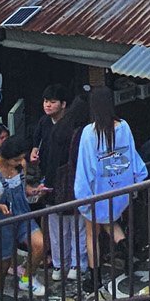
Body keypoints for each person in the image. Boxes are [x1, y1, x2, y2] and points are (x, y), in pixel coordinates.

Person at [74, 86, 148, 273]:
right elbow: (131, 156)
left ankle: (95, 277)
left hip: (97, 191)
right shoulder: (123, 126)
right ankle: (128, 253)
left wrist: (83, 195)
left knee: (92, 234)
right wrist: (137, 180)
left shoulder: (89, 133)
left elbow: (85, 168)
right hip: (120, 188)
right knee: (109, 221)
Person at [0, 133, 49, 298]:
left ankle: (26, 278)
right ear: (6, 156)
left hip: (22, 213)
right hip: (0, 221)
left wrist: (34, 190)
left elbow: (23, 188)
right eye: (16, 159)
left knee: (40, 244)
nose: (20, 162)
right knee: (1, 267)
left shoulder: (20, 166)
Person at [46, 88, 92, 280]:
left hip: (55, 186)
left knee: (57, 230)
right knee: (78, 227)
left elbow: (49, 161)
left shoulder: (58, 128)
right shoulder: (83, 132)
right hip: (75, 186)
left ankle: (58, 266)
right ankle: (77, 265)